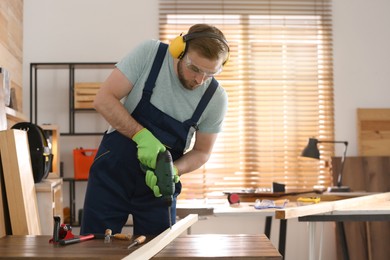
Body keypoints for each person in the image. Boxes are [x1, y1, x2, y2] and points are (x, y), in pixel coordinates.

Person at [80, 24, 230, 236]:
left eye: (210, 73)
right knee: (94, 249)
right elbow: (103, 99)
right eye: (194, 69)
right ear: (179, 50)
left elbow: (202, 152)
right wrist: (141, 136)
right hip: (112, 175)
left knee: (158, 252)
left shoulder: (216, 98)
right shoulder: (150, 55)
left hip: (158, 188)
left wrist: (173, 171)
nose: (200, 80)